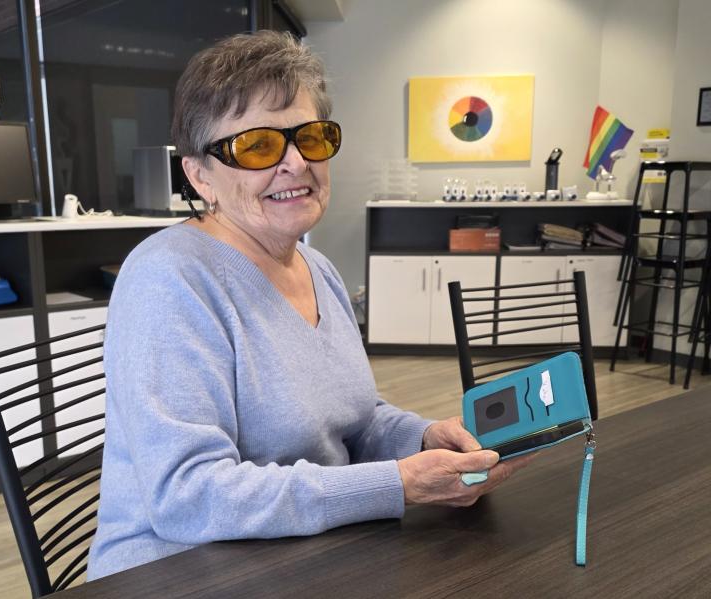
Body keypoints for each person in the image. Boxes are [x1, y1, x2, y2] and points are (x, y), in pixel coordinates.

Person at [87, 30, 533, 580]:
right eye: (257, 145)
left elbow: (354, 419)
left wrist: (419, 437)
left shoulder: (316, 267)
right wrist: (397, 485)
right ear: (199, 175)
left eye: (311, 137)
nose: (296, 163)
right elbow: (188, 497)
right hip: (178, 573)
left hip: (310, 555)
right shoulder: (169, 278)